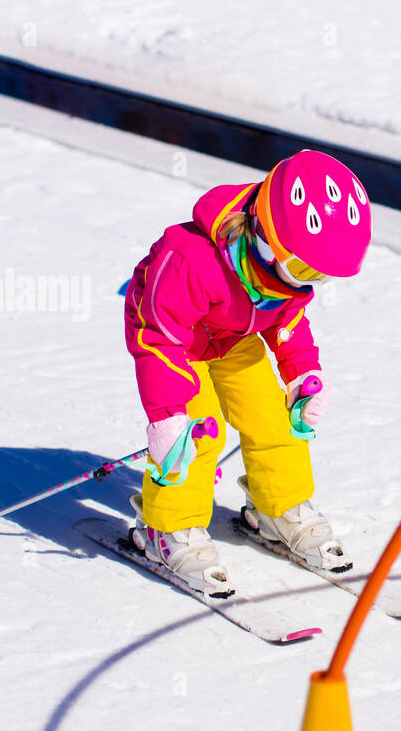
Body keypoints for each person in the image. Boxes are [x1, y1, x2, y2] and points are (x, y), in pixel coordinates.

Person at [122, 149, 371, 596]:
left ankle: (277, 507)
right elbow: (156, 335)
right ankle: (167, 527)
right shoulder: (191, 260)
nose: (305, 281)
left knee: (275, 417)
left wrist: (303, 372)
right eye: (302, 267)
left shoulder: (287, 276)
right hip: (175, 344)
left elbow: (287, 320)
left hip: (232, 339)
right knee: (199, 434)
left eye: (319, 275)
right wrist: (167, 413)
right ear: (263, 233)